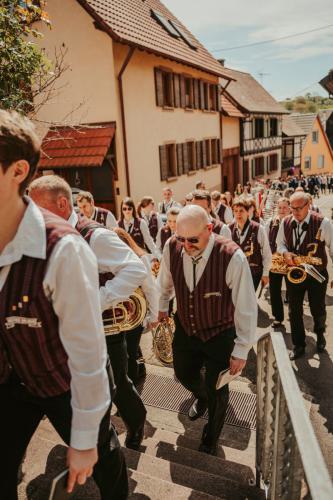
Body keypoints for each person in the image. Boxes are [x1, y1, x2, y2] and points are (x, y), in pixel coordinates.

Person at [0, 110, 128, 499]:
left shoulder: (65, 249)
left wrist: (85, 439)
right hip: (10, 381)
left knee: (103, 460)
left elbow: (88, 355)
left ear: (18, 170)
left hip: (64, 382)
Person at [29, 175, 148, 451]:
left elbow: (136, 268)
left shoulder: (96, 235)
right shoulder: (45, 235)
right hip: (66, 329)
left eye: (38, 208)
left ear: (62, 204)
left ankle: (136, 419)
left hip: (101, 327)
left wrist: (96, 300)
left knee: (115, 384)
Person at [157, 205, 257, 455]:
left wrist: (242, 349)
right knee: (182, 372)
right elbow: (165, 281)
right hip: (186, 328)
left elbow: (246, 306)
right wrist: (161, 306)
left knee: (217, 388)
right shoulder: (172, 246)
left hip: (220, 333)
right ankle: (201, 396)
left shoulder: (231, 256)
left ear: (209, 229)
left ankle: (210, 439)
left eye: (193, 240)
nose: (186, 245)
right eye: (182, 239)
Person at [276, 192, 333, 360]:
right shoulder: (285, 222)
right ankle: (298, 344)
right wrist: (285, 253)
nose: (294, 212)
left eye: (299, 208)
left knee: (318, 307)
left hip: (317, 273)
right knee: (294, 311)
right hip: (294, 272)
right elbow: (280, 243)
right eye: (292, 208)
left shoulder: (323, 222)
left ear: (308, 205)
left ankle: (320, 334)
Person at [114, 228, 159, 384]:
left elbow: (150, 289)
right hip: (119, 315)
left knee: (130, 352)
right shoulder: (112, 259)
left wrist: (153, 316)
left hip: (135, 314)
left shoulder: (141, 258)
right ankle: (138, 373)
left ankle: (132, 384)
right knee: (126, 351)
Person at [229, 198, 272, 291]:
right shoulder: (229, 228)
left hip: (254, 272)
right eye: (235, 211)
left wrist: (265, 274)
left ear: (248, 212)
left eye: (241, 211)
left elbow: (266, 253)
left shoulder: (259, 228)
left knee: (248, 301)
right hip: (235, 273)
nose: (238, 214)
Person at [265, 198, 291, 327]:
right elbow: (264, 243)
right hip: (275, 261)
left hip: (290, 262)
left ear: (289, 209)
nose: (282, 210)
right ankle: (278, 317)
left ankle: (294, 313)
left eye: (285, 207)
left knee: (292, 290)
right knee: (274, 290)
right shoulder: (270, 222)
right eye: (280, 207)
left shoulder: (293, 222)